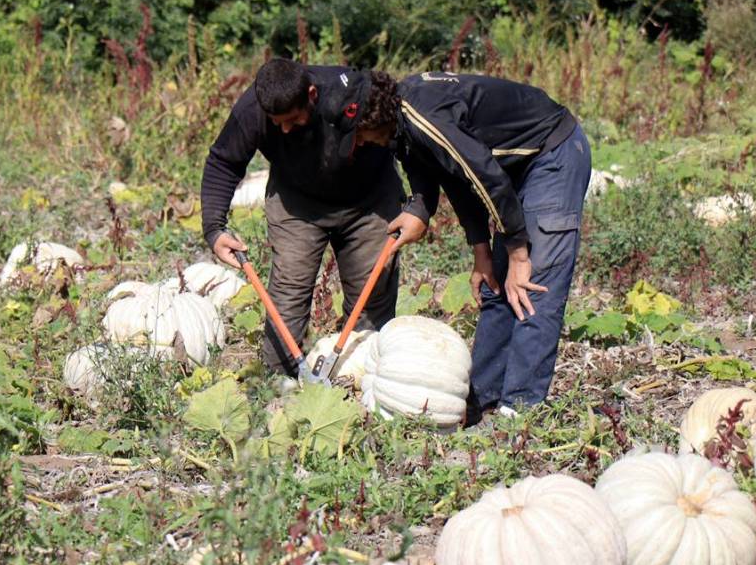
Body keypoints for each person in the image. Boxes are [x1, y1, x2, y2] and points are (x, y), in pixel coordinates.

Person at [342, 70, 591, 420]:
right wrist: (483, 255)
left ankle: (520, 411)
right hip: (512, 169)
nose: (362, 143)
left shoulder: (425, 118)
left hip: (552, 154)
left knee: (532, 284)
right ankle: (481, 401)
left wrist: (519, 254)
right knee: (497, 287)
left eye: (361, 135)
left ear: (374, 118)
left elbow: (484, 176)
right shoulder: (402, 129)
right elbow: (457, 181)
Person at [200, 58, 405, 375]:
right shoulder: (252, 110)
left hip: (370, 200)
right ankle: (279, 383)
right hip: (297, 204)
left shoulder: (352, 95)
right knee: (287, 296)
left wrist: (417, 205)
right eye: (276, 122)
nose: (284, 128)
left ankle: (362, 379)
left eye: (292, 119)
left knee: (372, 296)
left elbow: (405, 139)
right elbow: (224, 162)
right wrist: (214, 229)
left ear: (311, 94)